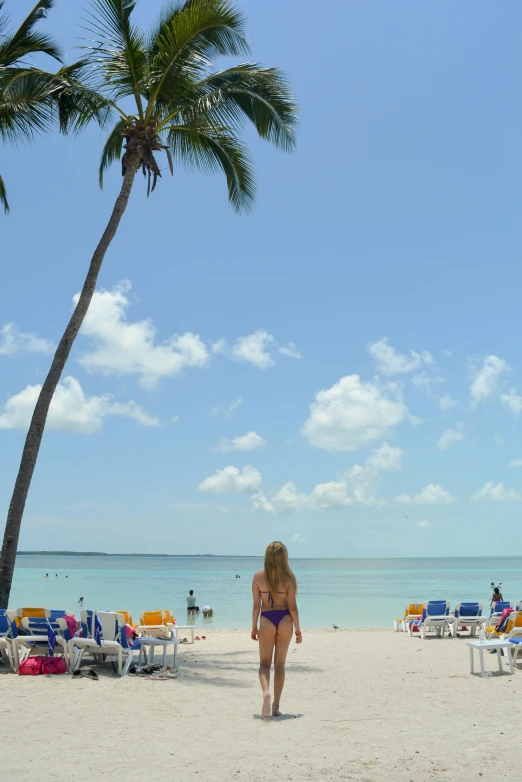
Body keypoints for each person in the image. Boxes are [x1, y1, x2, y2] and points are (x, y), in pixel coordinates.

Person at [251, 541, 302, 720]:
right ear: (284, 557)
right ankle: (276, 706)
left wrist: (254, 627)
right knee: (279, 665)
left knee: (264, 664)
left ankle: (266, 693)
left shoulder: (258, 577)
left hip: (266, 619)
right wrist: (298, 630)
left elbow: (256, 606)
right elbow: (293, 608)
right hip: (285, 619)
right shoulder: (289, 579)